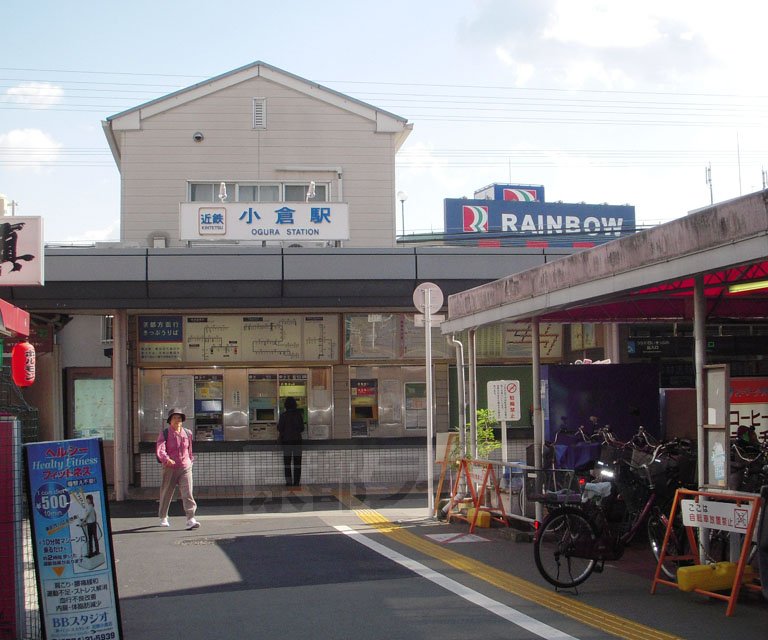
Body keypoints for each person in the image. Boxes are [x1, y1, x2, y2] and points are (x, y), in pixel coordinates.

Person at [156, 408, 200, 529]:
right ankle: (163, 516)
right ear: (170, 420)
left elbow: (189, 449)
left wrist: (190, 460)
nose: (177, 420)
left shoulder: (188, 433)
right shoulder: (165, 433)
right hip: (170, 467)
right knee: (166, 492)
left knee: (188, 493)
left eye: (179, 418)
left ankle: (191, 518)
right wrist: (166, 459)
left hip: (185, 467)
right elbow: (160, 448)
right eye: (174, 418)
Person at [277, 396, 305, 487]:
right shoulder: (299, 415)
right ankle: (296, 482)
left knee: (287, 463)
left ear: (286, 405)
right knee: (297, 463)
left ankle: (288, 482)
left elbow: (280, 428)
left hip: (286, 442)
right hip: (297, 441)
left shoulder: (283, 415)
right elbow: (302, 428)